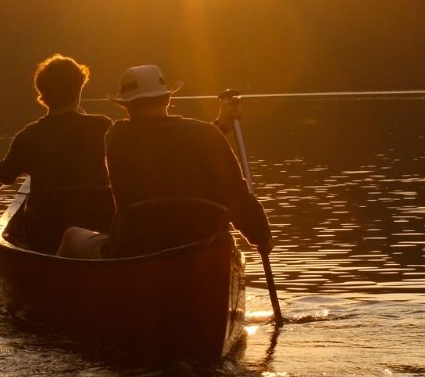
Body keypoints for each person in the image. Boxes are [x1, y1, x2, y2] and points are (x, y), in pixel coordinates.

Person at [59, 64, 271, 258]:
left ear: (125, 106)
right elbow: (237, 195)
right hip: (202, 245)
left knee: (71, 235)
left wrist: (220, 126)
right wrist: (262, 237)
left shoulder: (116, 136)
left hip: (137, 248)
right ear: (168, 99)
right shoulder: (206, 135)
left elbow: (163, 144)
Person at [0, 54, 115, 253]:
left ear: (42, 94)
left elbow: (5, 177)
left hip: (47, 228)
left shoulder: (28, 136)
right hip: (98, 221)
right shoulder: (103, 127)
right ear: (79, 89)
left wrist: (4, 165)